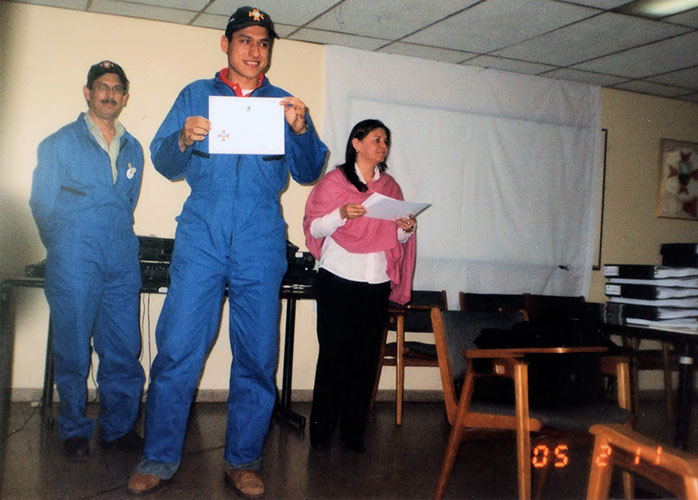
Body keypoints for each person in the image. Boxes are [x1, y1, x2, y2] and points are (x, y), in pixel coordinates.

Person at [126, 5, 328, 497]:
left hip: (260, 235)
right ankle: (159, 457)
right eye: (245, 40)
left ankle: (243, 460)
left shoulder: (283, 103)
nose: (254, 51)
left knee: (257, 354)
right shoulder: (196, 94)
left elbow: (308, 171)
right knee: (178, 347)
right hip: (203, 232)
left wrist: (301, 130)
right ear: (226, 44)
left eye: (263, 43)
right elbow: (165, 162)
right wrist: (182, 136)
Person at [29, 61, 145, 462]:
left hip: (121, 256)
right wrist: (64, 245)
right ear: (87, 92)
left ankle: (118, 429)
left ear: (125, 97)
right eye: (101, 87)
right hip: (75, 255)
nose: (109, 94)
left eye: (116, 88)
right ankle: (74, 430)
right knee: (74, 348)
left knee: (123, 347)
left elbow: (126, 202)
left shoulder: (134, 148)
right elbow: (41, 205)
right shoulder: (59, 143)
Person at [303, 119, 416, 452]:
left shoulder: (391, 187)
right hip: (338, 278)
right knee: (333, 358)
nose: (383, 146)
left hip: (375, 282)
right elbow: (314, 228)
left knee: (366, 362)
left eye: (386, 141)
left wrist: (405, 229)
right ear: (356, 143)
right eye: (376, 139)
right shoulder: (334, 182)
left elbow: (396, 239)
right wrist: (341, 214)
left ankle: (353, 435)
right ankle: (321, 435)